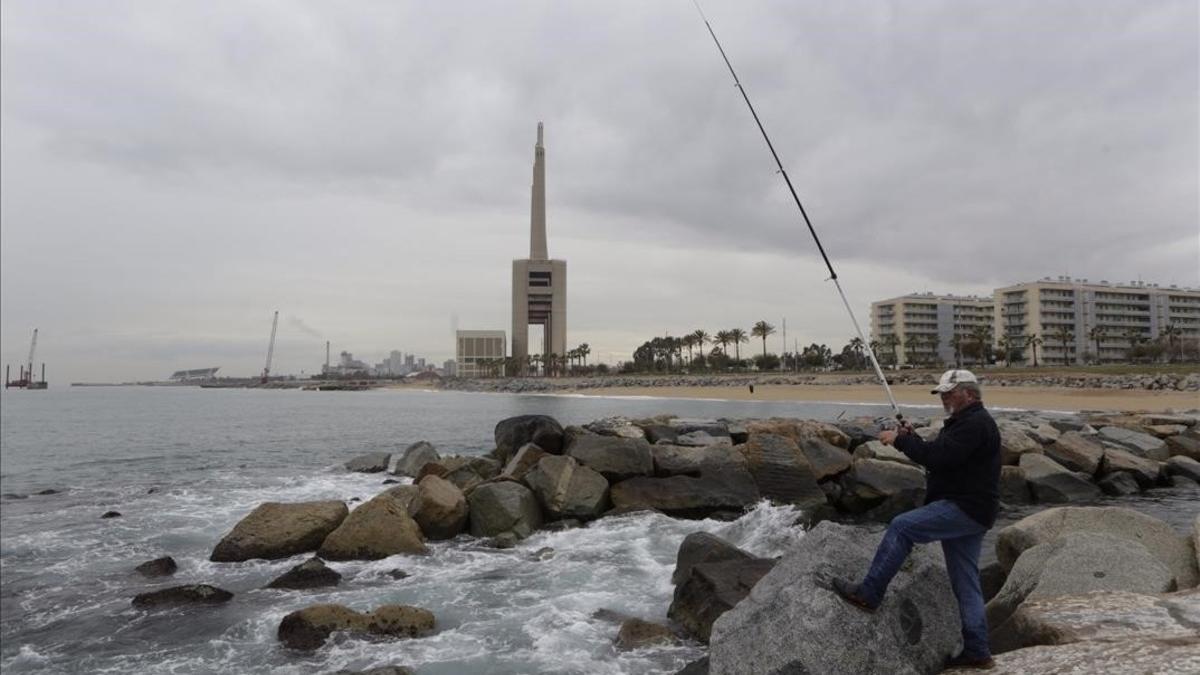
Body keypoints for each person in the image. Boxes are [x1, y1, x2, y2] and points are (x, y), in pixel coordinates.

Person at [832, 369, 1001, 671]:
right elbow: (939, 455)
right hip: (976, 510)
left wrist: (898, 440)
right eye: (943, 393)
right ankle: (978, 651)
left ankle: (869, 593)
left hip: (965, 508)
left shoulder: (975, 424)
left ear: (969, 393)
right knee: (966, 582)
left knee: (903, 526)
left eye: (951, 392)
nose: (946, 397)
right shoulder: (967, 423)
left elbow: (937, 459)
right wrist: (912, 438)